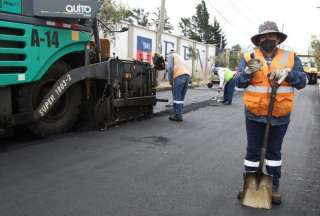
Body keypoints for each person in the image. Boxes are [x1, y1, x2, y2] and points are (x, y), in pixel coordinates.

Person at [235, 21, 306, 205]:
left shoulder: (290, 57)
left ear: (278, 39)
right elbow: (238, 82)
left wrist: (288, 74)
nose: (268, 39)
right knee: (252, 152)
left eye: (271, 36)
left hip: (280, 114)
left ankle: (273, 186)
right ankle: (249, 186)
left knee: (274, 152)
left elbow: (302, 81)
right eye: (264, 37)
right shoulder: (248, 56)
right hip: (254, 113)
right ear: (259, 39)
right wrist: (248, 72)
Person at [166, 50, 191, 121]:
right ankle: (179, 114)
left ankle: (177, 116)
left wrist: (170, 80)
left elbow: (170, 68)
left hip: (179, 76)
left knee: (177, 96)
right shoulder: (180, 57)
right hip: (187, 76)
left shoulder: (171, 56)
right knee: (181, 97)